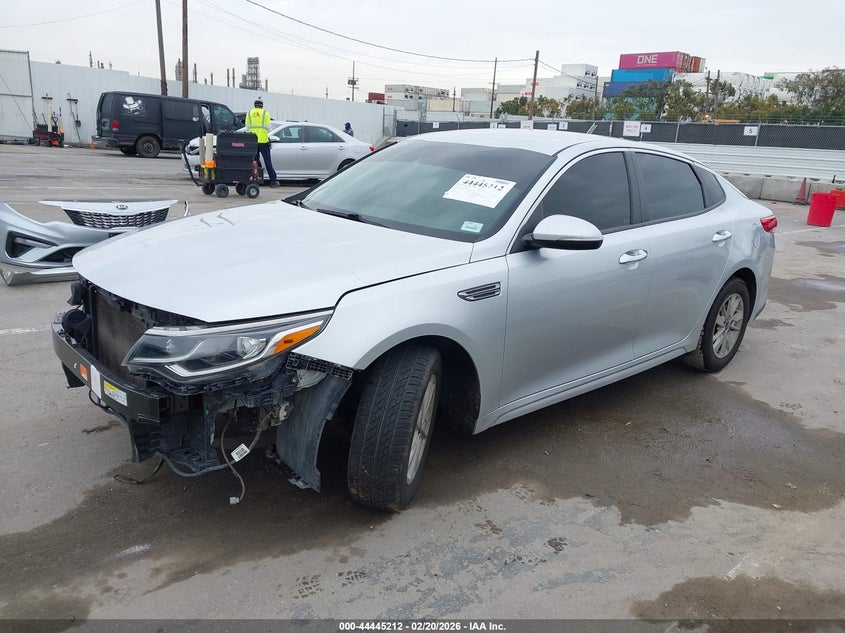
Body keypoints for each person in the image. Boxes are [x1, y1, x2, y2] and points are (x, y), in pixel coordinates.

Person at [246, 98, 279, 187]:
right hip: (263, 141)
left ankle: (254, 180)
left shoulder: (249, 113)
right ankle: (273, 181)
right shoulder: (265, 113)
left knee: (254, 162)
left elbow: (247, 128)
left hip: (253, 141)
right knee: (267, 161)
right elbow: (268, 127)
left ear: (254, 105)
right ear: (262, 106)